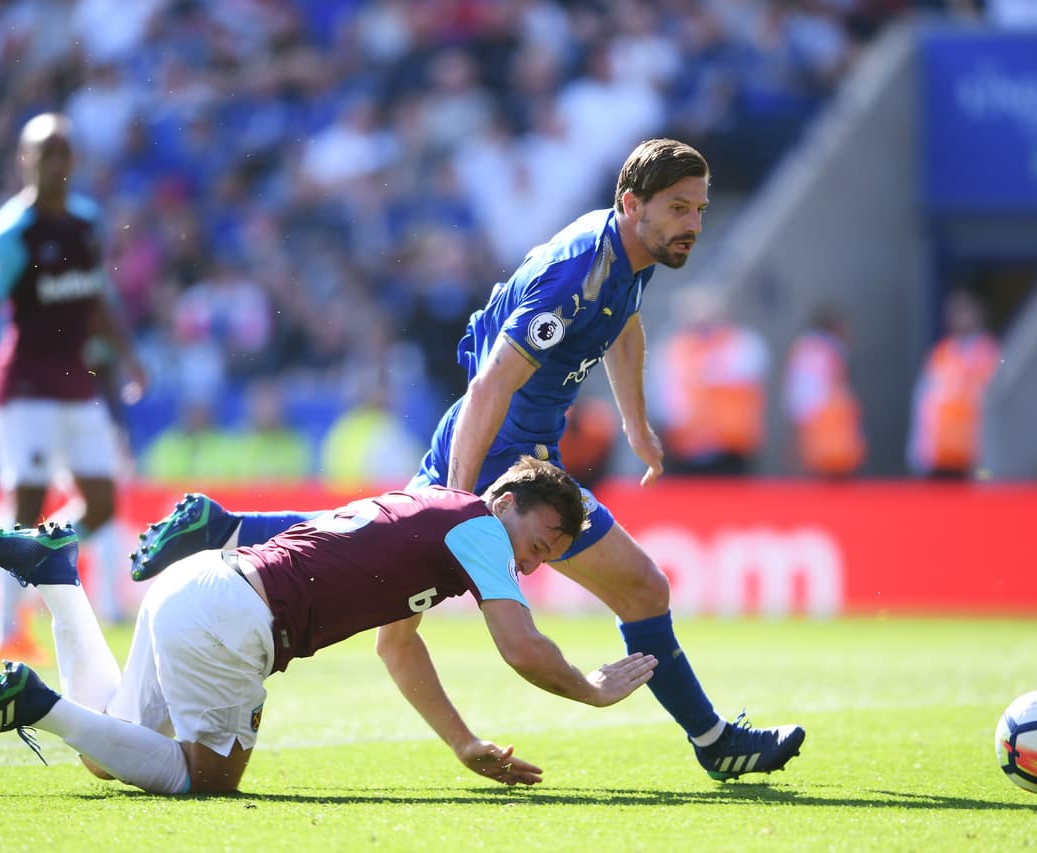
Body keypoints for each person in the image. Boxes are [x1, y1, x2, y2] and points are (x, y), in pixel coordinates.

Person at [130, 139, 805, 779]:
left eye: (700, 210)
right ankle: (715, 742)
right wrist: (455, 502)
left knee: (376, 579)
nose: (693, 224)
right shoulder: (577, 274)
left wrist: (636, 425)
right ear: (633, 203)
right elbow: (489, 384)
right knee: (644, 588)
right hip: (501, 458)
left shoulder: (632, 257)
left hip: (490, 447)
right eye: (680, 209)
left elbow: (626, 328)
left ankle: (230, 527)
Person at [0, 457, 658, 794]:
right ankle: (36, 704)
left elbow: (395, 645)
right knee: (206, 778)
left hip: (200, 585)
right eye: (549, 537)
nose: (538, 561)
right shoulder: (482, 531)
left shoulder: (433, 510)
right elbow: (522, 645)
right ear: (509, 501)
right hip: (234, 619)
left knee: (107, 754)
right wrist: (590, 690)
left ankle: (60, 583)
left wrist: (463, 741)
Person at [0, 112, 147, 650]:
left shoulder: (86, 224)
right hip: (24, 386)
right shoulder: (10, 233)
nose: (54, 163)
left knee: (101, 504)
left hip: (75, 382)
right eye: (44, 152)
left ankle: (21, 563)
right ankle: (5, 625)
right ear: (24, 161)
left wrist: (129, 357)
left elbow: (97, 297)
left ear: (72, 162)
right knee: (27, 500)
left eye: (62, 153)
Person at [655, 284, 769, 476]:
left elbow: (745, 374)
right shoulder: (674, 350)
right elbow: (664, 399)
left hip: (731, 447)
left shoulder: (741, 344)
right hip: (686, 449)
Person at [906, 289, 1000, 479]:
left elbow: (996, 405)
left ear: (978, 313)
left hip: (975, 457)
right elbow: (925, 403)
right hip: (941, 454)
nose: (959, 317)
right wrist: (919, 447)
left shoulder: (989, 353)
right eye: (955, 312)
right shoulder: (941, 353)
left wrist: (992, 457)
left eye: (965, 311)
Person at [782, 305, 865, 478]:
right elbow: (802, 400)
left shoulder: (817, 352)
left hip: (830, 444)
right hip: (828, 445)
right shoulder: (820, 353)